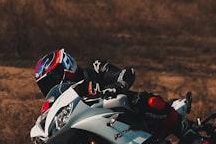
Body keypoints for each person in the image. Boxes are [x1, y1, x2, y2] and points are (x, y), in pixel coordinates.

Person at [33, 48, 189, 138]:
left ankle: (188, 133)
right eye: (44, 86)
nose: (49, 87)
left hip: (127, 113)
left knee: (148, 101)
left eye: (51, 80)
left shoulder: (94, 69)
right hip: (100, 129)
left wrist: (117, 86)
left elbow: (126, 73)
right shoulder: (60, 105)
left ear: (66, 67)